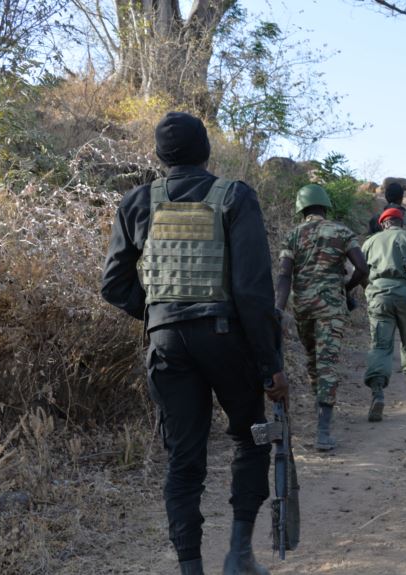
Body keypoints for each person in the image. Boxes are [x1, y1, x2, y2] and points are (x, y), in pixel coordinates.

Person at [101, 112, 288, 575]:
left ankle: (190, 569)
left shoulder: (137, 201)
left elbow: (113, 284)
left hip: (166, 343)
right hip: (225, 339)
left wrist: (158, 314)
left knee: (184, 462)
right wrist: (270, 366)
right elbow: (252, 290)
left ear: (160, 157)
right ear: (206, 151)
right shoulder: (235, 197)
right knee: (252, 439)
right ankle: (239, 555)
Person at [274, 184, 367, 451]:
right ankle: (323, 430)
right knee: (328, 363)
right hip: (332, 310)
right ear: (325, 205)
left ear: (301, 209)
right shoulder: (341, 231)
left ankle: (321, 416)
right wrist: (345, 288)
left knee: (314, 363)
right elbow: (361, 268)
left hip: (303, 308)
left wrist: (277, 311)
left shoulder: (292, 236)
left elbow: (284, 276)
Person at [360, 208, 406, 422]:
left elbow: (360, 270)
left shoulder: (370, 242)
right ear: (401, 223)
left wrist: (370, 289)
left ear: (383, 224)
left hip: (379, 295)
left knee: (381, 345)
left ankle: (377, 393)